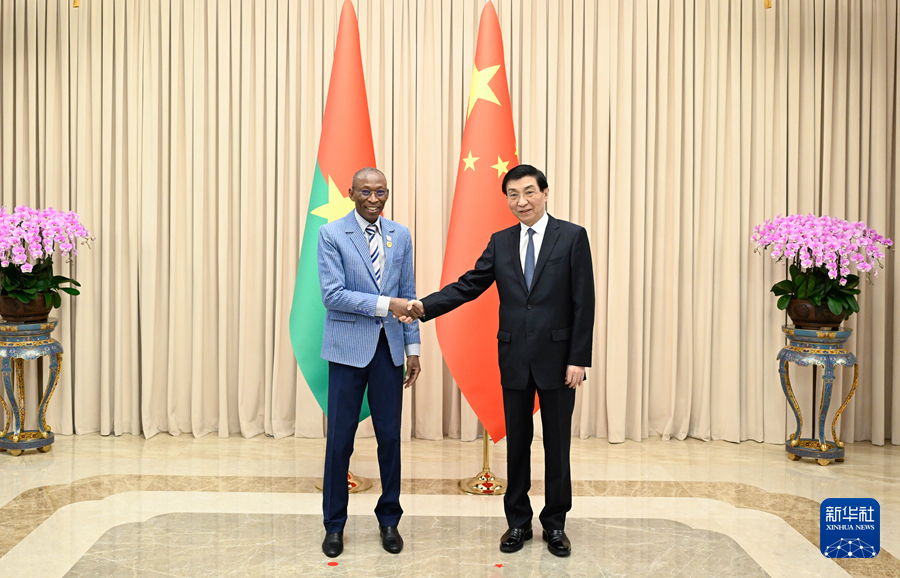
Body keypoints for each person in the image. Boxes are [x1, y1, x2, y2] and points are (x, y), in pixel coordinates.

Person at [408, 164, 594, 557]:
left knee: (558, 447)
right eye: (513, 194)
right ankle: (518, 522)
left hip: (559, 361)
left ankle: (555, 524)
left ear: (545, 193)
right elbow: (469, 285)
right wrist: (424, 306)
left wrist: (578, 359)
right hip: (514, 359)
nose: (521, 201)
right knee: (517, 446)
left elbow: (584, 302)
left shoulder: (572, 237)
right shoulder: (501, 241)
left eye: (529, 192)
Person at [317, 167, 421, 558]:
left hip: (389, 351)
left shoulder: (401, 235)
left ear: (387, 193)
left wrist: (413, 349)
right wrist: (385, 304)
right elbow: (332, 295)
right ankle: (334, 525)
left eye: (380, 192)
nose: (373, 199)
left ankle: (389, 520)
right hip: (347, 351)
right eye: (365, 192)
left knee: (390, 439)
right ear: (351, 193)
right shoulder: (331, 234)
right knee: (339, 442)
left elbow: (408, 293)